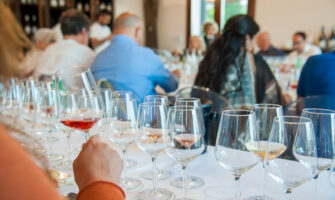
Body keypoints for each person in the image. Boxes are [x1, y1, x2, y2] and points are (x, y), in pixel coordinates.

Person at [0, 2, 125, 200]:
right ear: (84, 32)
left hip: (43, 120)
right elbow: (95, 90)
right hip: (62, 125)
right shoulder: (87, 54)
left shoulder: (46, 51)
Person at [194, 15, 283, 108]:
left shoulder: (211, 57)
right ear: (247, 38)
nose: (255, 44)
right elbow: (273, 98)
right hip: (245, 120)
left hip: (208, 119)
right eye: (255, 38)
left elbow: (197, 93)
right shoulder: (254, 62)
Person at [91, 12, 179, 102]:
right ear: (137, 30)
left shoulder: (97, 59)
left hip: (108, 115)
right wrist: (175, 75)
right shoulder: (146, 55)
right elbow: (171, 86)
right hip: (144, 115)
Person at [34, 9, 95, 80]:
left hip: (41, 89)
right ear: (84, 31)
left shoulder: (48, 49)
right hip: (70, 91)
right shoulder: (87, 53)